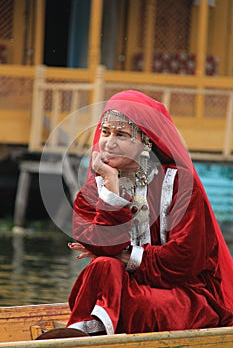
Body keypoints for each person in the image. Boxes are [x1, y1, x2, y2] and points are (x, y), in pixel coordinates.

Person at [37, 90, 233, 340]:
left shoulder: (180, 184)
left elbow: (183, 260)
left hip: (182, 291)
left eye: (121, 135)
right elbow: (94, 242)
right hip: (124, 287)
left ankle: (94, 327)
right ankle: (95, 326)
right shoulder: (97, 186)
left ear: (146, 141)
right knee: (103, 266)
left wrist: (122, 254)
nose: (109, 142)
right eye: (105, 132)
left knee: (137, 300)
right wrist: (111, 186)